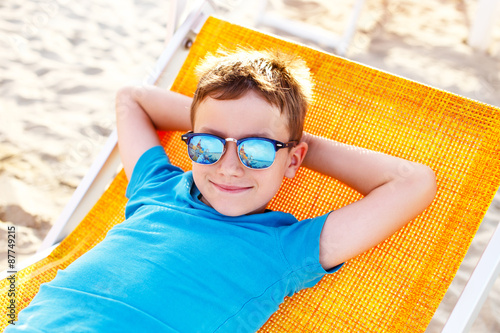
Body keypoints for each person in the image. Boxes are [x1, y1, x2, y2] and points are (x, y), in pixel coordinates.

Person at [6, 49, 436, 332]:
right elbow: (131, 99)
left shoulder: (287, 247)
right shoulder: (157, 187)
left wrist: (293, 145)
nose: (228, 166)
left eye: (256, 151)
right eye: (208, 146)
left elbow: (413, 182)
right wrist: (257, 138)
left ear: (294, 160)